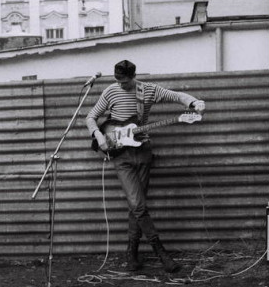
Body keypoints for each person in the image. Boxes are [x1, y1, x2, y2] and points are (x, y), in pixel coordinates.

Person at [85, 60, 206, 273]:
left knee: (137, 205)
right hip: (120, 155)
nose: (120, 85)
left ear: (133, 76)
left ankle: (131, 253)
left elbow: (176, 96)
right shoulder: (110, 91)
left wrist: (194, 102)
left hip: (142, 153)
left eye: (124, 81)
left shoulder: (147, 90)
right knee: (138, 205)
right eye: (117, 80)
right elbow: (91, 117)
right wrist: (97, 134)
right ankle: (160, 252)